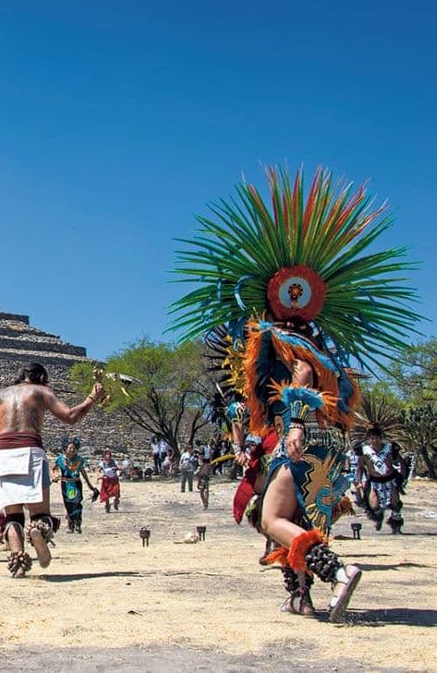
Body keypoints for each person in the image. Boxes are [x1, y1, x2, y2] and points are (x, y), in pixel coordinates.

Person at [171, 167, 422, 622]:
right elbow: (338, 394)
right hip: (329, 446)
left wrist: (297, 423)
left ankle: (339, 572)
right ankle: (301, 596)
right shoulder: (323, 345)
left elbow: (301, 376)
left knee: (269, 519)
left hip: (299, 441)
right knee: (300, 521)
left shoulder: (293, 346)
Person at [0, 364, 102, 577]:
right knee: (39, 512)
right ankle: (38, 530)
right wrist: (91, 398)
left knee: (12, 516)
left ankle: (18, 562)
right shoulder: (41, 391)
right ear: (40, 376)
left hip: (2, 454)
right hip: (30, 450)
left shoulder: (0, 396)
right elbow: (70, 416)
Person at [356, 425, 407, 534]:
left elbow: (402, 463)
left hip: (390, 479)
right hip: (374, 481)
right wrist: (359, 482)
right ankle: (379, 517)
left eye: (377, 438)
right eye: (372, 438)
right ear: (369, 439)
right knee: (374, 506)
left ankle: (396, 527)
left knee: (395, 504)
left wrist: (402, 479)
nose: (374, 441)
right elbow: (360, 467)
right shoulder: (364, 451)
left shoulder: (389, 449)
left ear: (381, 438)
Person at [53, 437, 97, 534]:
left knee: (76, 503)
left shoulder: (79, 460)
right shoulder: (60, 459)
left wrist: (90, 485)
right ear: (65, 448)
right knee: (68, 504)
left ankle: (78, 523)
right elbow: (54, 468)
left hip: (76, 484)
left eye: (74, 448)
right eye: (70, 448)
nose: (72, 450)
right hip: (65, 484)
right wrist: (54, 476)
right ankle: (70, 523)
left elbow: (83, 472)